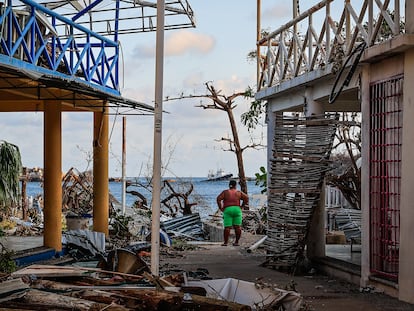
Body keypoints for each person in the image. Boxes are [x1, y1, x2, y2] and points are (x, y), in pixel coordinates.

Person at [216, 180, 249, 246]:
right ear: (236, 185)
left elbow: (218, 199)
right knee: (237, 227)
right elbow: (246, 198)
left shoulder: (225, 192)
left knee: (227, 227)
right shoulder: (239, 192)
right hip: (237, 209)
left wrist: (221, 208)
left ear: (229, 185)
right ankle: (236, 242)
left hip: (228, 209)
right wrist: (242, 206)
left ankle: (225, 243)